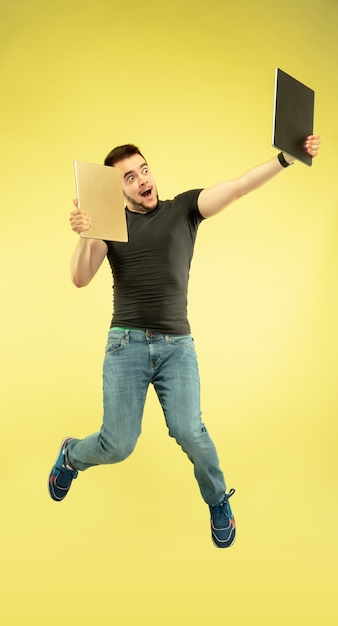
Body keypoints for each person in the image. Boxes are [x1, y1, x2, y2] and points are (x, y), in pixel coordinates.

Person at [48, 135, 321, 548]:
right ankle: (71, 455)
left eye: (144, 169)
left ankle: (217, 501)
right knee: (118, 444)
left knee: (190, 430)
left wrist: (286, 158)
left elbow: (239, 186)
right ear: (116, 190)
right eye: (129, 177)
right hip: (126, 346)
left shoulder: (185, 209)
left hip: (177, 347)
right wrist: (86, 233)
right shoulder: (109, 224)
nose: (142, 180)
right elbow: (79, 277)